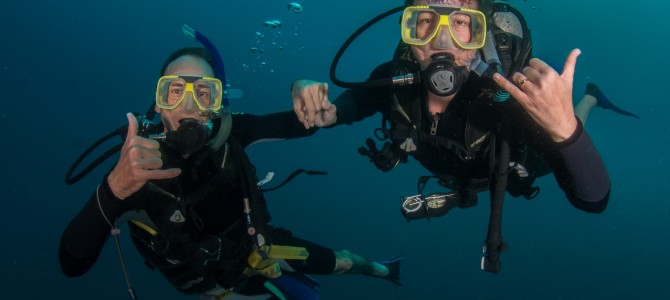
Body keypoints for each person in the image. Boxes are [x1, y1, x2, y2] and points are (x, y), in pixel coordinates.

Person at [290, 0, 612, 272]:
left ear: (480, 33)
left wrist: (563, 128)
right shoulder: (393, 78)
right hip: (452, 175)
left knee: (562, 126)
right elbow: (354, 104)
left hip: (516, 165)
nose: (441, 40)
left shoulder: (509, 98)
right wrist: (324, 110)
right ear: (408, 30)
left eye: (460, 22)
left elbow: (594, 200)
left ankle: (588, 98)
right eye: (426, 19)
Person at [59, 45, 402, 300]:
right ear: (159, 102)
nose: (190, 104)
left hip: (264, 248)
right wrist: (113, 189)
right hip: (216, 289)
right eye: (175, 90)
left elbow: (306, 124)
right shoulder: (135, 171)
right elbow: (72, 265)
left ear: (217, 104)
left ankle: (384, 269)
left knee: (343, 262)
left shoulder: (230, 133)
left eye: (204, 91)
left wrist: (302, 87)